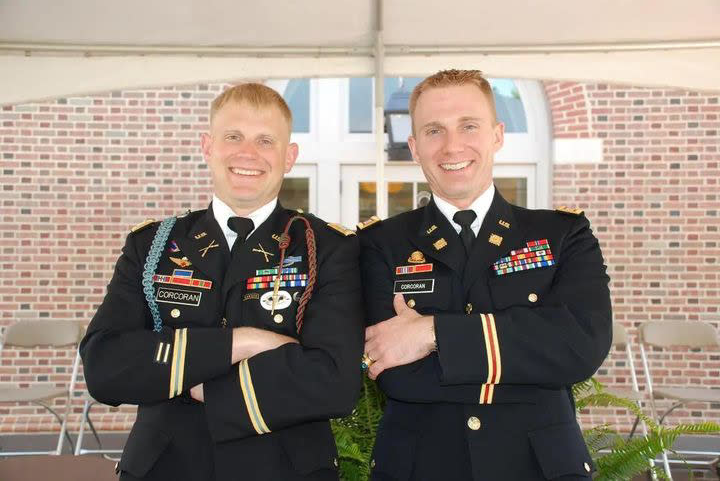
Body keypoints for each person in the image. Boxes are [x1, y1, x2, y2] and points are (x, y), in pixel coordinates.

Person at [81, 83, 364, 481]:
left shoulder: (329, 248)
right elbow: (105, 366)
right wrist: (244, 341)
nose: (247, 153)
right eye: (233, 137)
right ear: (208, 146)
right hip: (167, 466)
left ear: (289, 157)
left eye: (265, 140)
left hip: (286, 468)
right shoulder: (153, 244)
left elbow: (335, 381)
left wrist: (203, 387)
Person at [358, 70, 612, 480]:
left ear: (497, 135)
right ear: (414, 146)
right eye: (434, 130)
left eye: (469, 125)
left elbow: (581, 346)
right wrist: (528, 357)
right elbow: (398, 375)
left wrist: (431, 332)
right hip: (421, 466)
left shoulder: (563, 235)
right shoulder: (379, 244)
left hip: (539, 466)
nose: (452, 145)